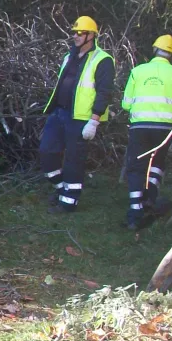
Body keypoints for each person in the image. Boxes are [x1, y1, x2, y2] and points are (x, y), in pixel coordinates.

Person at [40, 16, 114, 214]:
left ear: (91, 35)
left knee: (74, 160)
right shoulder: (69, 56)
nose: (75, 36)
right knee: (46, 151)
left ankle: (68, 202)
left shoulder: (103, 60)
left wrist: (94, 121)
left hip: (81, 118)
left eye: (80, 33)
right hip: (59, 113)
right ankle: (61, 187)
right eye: (74, 32)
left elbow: (105, 92)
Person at [121, 34, 172, 230]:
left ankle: (135, 211)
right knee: (157, 164)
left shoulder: (137, 71)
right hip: (165, 128)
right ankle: (150, 199)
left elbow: (126, 104)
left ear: (154, 49)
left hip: (140, 126)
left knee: (136, 167)